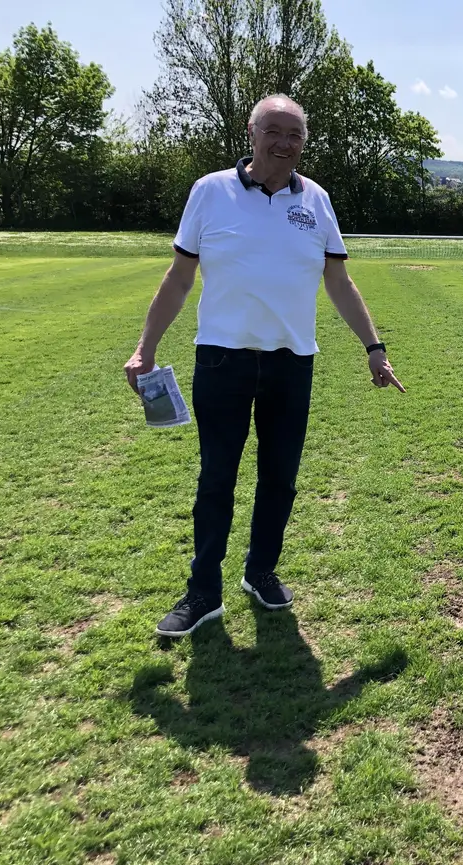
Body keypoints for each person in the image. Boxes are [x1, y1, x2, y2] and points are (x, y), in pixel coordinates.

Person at [124, 94, 405, 638]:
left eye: (295, 134)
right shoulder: (210, 191)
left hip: (292, 363)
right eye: (273, 131)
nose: (284, 143)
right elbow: (179, 278)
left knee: (280, 479)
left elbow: (339, 281)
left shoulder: (316, 200)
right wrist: (145, 348)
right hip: (222, 361)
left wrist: (374, 348)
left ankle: (261, 572)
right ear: (251, 134)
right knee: (217, 479)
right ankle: (203, 592)